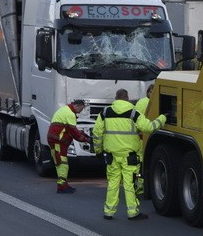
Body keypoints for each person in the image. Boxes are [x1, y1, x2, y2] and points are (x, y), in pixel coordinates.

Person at [93, 88, 167, 221]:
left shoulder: (104, 113)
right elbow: (148, 128)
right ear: (127, 98)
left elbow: (97, 133)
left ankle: (108, 211)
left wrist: (98, 150)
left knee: (113, 183)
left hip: (112, 155)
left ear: (116, 98)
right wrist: (162, 118)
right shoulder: (133, 113)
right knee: (129, 184)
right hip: (129, 156)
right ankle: (132, 212)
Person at [47, 98, 90, 194]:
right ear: (77, 106)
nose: (80, 112)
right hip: (58, 140)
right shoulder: (70, 114)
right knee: (62, 163)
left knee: (60, 162)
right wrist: (86, 139)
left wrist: (83, 134)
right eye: (81, 109)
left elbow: (69, 129)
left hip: (55, 139)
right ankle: (62, 186)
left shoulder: (65, 109)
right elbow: (73, 132)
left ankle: (64, 185)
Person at [132, 85, 154, 198]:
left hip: (140, 136)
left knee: (139, 164)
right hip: (145, 135)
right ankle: (140, 187)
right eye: (151, 91)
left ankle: (138, 187)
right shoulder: (148, 103)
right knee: (140, 164)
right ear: (149, 92)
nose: (152, 93)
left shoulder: (140, 102)